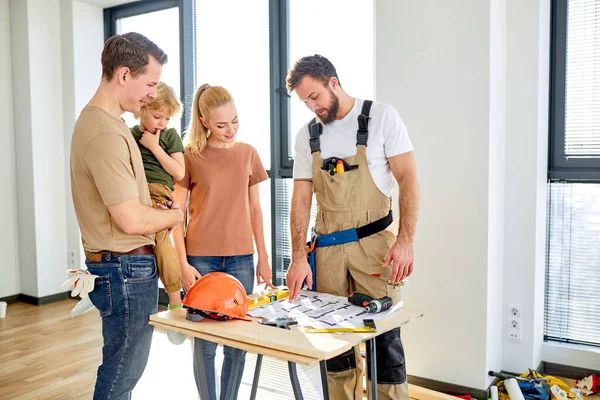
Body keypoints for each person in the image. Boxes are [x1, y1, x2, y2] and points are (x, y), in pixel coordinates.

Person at [284, 54, 420, 400]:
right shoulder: (307, 135)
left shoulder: (380, 117)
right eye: (304, 102)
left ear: (333, 82)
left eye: (314, 96)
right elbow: (300, 199)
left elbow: (408, 179)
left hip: (375, 247)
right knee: (333, 340)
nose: (312, 107)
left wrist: (405, 241)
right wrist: (298, 256)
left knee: (384, 340)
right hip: (327, 251)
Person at [70, 32, 184, 399]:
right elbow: (132, 221)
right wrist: (174, 216)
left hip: (122, 266)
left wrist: (158, 211)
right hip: (124, 268)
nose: (153, 93)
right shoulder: (104, 131)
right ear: (123, 75)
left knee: (123, 371)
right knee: (122, 374)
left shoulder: (112, 125)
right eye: (149, 83)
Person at [172, 84, 275, 400]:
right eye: (221, 125)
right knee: (204, 344)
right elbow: (177, 214)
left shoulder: (248, 154)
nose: (229, 130)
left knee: (236, 343)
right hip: (200, 259)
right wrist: (182, 263)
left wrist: (264, 257)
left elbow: (256, 210)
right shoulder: (189, 157)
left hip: (242, 259)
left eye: (234, 121)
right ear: (204, 121)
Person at [130, 81, 185, 313]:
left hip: (159, 194)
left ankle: (174, 301)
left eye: (167, 119)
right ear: (142, 110)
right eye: (157, 116)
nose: (162, 123)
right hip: (136, 194)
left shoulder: (169, 136)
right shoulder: (130, 134)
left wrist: (154, 147)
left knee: (162, 242)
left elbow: (179, 171)